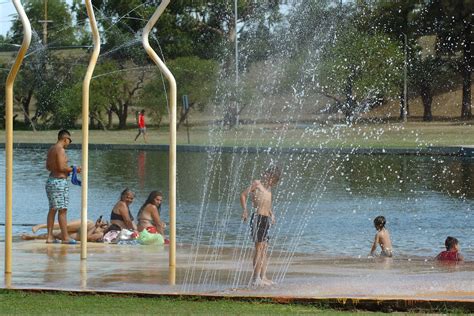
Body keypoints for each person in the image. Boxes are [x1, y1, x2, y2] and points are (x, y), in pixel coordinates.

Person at [240, 166, 281, 286]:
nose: (271, 182)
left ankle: (263, 277)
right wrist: (245, 211)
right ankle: (255, 278)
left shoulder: (269, 188)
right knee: (258, 248)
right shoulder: (257, 184)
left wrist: (271, 214)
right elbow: (242, 195)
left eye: (274, 181)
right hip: (257, 218)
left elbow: (267, 204)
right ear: (266, 175)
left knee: (264, 249)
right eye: (271, 178)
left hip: (266, 219)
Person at [45, 129, 80, 244]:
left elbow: (49, 167)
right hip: (59, 182)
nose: (69, 143)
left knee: (53, 209)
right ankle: (65, 237)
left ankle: (50, 236)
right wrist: (75, 169)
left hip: (51, 180)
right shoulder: (60, 149)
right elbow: (61, 167)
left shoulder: (51, 149)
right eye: (69, 140)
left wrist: (66, 169)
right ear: (65, 139)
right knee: (62, 210)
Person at [23, 217, 108, 242]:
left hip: (80, 235)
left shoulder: (101, 235)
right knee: (65, 226)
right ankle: (41, 225)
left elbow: (87, 238)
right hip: (87, 224)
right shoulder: (102, 227)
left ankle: (32, 237)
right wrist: (96, 226)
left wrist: (96, 227)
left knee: (56, 234)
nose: (105, 225)